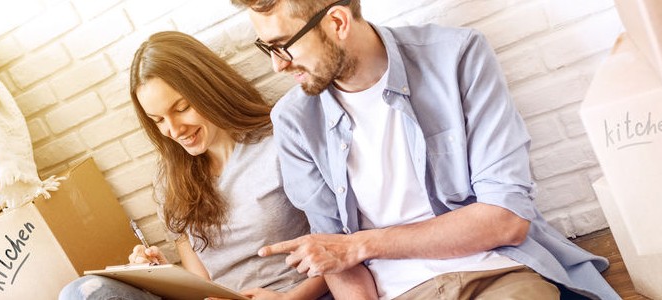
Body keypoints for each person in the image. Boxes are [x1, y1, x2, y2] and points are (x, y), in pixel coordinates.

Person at [229, 0, 621, 299]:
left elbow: (506, 219)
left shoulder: (455, 57)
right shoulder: (294, 120)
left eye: (282, 46)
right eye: (267, 48)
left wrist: (359, 245)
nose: (277, 66)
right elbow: (332, 252)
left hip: (496, 273)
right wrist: (345, 253)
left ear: (337, 22)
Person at [59, 31, 371, 300]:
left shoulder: (280, 142)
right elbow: (201, 282)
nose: (174, 130)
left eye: (181, 108)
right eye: (158, 120)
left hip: (291, 295)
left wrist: (290, 298)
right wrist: (159, 274)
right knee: (84, 292)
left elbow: (340, 245)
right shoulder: (172, 178)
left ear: (207, 88)